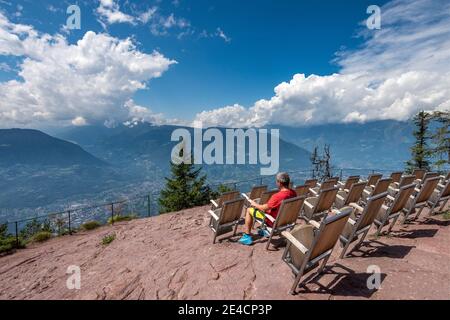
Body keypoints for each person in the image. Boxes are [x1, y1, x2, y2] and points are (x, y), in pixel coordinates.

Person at [239, 172, 297, 246]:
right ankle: (265, 231)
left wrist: (255, 204)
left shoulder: (277, 196)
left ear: (279, 183)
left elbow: (264, 208)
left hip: (273, 221)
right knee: (263, 209)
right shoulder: (293, 193)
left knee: (249, 210)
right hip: (287, 219)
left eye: (276, 181)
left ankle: (247, 237)